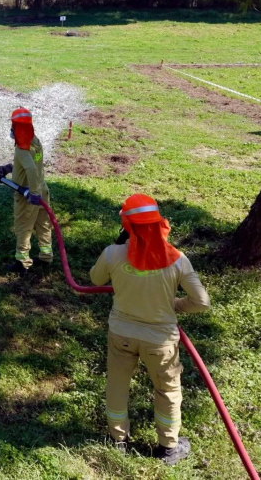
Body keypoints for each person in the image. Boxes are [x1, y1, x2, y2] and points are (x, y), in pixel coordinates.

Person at [90, 194, 211, 465]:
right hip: (160, 341)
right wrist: (175, 304)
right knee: (167, 390)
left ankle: (117, 440)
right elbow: (202, 302)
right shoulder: (178, 259)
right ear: (158, 222)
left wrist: (117, 251)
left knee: (117, 385)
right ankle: (168, 448)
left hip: (121, 334)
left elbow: (96, 279)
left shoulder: (112, 253)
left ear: (127, 225)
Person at [0, 107, 53, 276]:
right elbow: (27, 164)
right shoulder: (35, 141)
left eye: (13, 125)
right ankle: (46, 257)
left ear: (16, 126)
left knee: (23, 227)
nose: (11, 129)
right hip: (43, 190)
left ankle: (22, 263)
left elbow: (30, 168)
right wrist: (8, 168)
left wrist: (32, 193)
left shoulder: (22, 148)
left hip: (28, 196)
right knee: (43, 225)